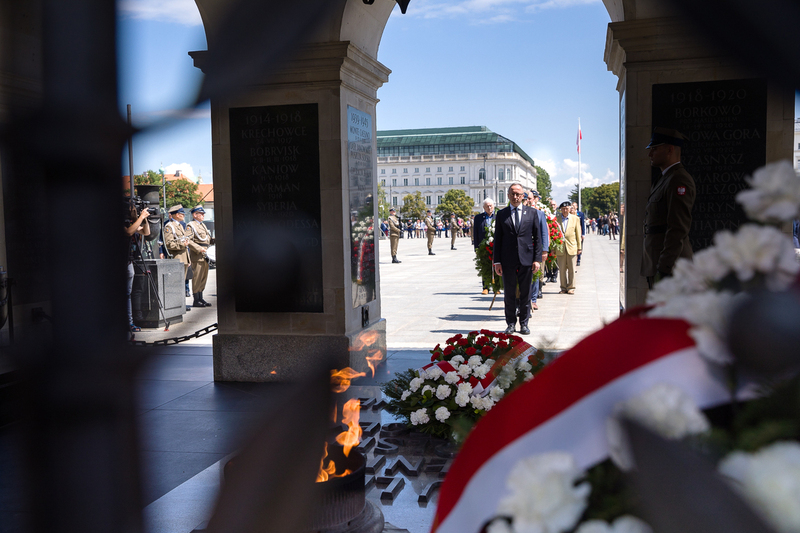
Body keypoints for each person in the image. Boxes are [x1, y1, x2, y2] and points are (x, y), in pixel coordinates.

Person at [641, 127, 696, 290]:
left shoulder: (678, 180)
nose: (650, 154)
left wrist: (665, 268)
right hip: (657, 261)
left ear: (670, 149)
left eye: (655, 149)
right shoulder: (664, 178)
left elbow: (678, 228)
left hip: (671, 267)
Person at [492, 183, 543, 335]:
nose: (515, 197)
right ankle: (510, 324)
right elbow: (498, 239)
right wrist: (497, 261)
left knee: (526, 293)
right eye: (512, 194)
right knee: (509, 293)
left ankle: (524, 323)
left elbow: (537, 238)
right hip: (507, 260)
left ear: (523, 196)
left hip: (527, 259)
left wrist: (537, 259)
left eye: (518, 194)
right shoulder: (502, 214)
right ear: (508, 195)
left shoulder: (532, 213)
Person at [164, 205, 206, 311]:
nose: (183, 216)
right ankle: (177, 305)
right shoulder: (169, 226)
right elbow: (168, 244)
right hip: (177, 258)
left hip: (183, 258)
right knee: (176, 283)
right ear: (176, 215)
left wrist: (187, 258)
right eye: (181, 214)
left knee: (181, 282)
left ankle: (181, 304)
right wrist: (182, 244)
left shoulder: (179, 225)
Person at [125, 201, 151, 332]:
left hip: (129, 261)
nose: (134, 211)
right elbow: (129, 232)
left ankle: (129, 323)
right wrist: (140, 217)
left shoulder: (134, 222)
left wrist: (144, 219)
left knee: (128, 294)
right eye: (133, 209)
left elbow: (146, 232)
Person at [186, 206, 212, 308]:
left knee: (203, 277)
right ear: (194, 215)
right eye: (201, 214)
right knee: (197, 277)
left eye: (203, 213)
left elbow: (207, 239)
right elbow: (188, 240)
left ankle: (201, 298)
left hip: (206, 254)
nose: (203, 215)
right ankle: (196, 300)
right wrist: (199, 248)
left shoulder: (202, 225)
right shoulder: (191, 225)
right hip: (198, 255)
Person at [555, 201, 582, 295]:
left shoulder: (575, 219)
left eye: (567, 208)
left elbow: (578, 233)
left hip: (572, 246)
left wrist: (579, 247)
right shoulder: (556, 219)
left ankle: (571, 287)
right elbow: (553, 234)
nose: (565, 210)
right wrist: (553, 248)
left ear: (570, 209)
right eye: (563, 209)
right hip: (560, 247)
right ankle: (563, 287)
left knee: (571, 269)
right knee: (562, 269)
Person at [530, 191, 549, 311]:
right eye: (525, 198)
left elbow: (544, 233)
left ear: (534, 199)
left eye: (529, 198)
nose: (527, 201)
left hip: (536, 249)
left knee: (535, 273)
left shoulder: (539, 213)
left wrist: (544, 250)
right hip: (521, 250)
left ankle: (533, 299)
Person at [473, 198, 495, 294]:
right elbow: (476, 234)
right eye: (487, 206)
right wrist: (476, 248)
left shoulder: (498, 216)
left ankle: (496, 287)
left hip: (495, 245)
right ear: (483, 207)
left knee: (496, 266)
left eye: (490, 206)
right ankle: (485, 287)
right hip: (483, 246)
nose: (489, 208)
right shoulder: (478, 218)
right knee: (485, 266)